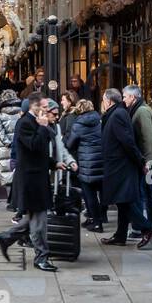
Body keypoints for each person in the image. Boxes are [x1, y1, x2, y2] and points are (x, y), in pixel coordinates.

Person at [0, 96, 58, 272]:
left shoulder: (36, 122)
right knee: (39, 221)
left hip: (37, 177)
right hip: (30, 180)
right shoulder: (24, 123)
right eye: (45, 106)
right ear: (35, 107)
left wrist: (54, 163)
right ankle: (41, 257)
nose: (47, 109)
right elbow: (34, 146)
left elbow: (40, 154)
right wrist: (43, 127)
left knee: (35, 218)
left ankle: (7, 237)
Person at [99, 88, 152, 248]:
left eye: (103, 99)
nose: (103, 102)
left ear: (109, 101)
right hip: (117, 165)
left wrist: (141, 162)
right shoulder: (116, 113)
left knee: (124, 201)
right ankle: (120, 235)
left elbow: (128, 142)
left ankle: (146, 227)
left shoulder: (117, 115)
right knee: (122, 201)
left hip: (121, 166)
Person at [123, 84, 152, 238]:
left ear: (133, 97)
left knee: (145, 193)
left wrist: (145, 162)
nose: (124, 99)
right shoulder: (139, 109)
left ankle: (145, 228)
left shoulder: (142, 111)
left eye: (125, 96)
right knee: (146, 193)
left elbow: (148, 139)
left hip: (148, 162)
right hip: (148, 160)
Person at [66, 98, 104, 231]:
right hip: (101, 161)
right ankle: (99, 218)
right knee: (101, 192)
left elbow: (70, 144)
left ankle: (96, 222)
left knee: (90, 194)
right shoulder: (100, 121)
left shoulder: (78, 125)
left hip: (86, 163)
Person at [0, 88, 24, 205]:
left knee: (6, 172)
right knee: (18, 170)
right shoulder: (21, 111)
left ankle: (10, 199)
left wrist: (7, 142)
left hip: (5, 147)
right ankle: (18, 199)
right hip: (19, 145)